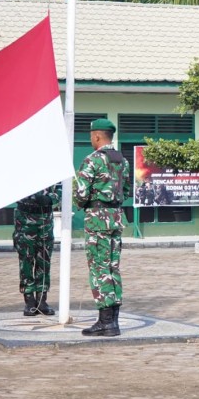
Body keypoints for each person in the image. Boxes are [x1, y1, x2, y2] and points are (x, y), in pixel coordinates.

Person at [74, 118, 132, 336]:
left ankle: (105, 322)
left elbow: (81, 195)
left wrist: (84, 205)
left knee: (99, 269)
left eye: (91, 136)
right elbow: (126, 190)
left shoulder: (92, 160)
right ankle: (113, 321)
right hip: (116, 217)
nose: (91, 139)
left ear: (97, 136)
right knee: (112, 267)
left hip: (98, 220)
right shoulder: (122, 161)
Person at [13, 184, 61, 316]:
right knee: (26, 259)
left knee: (44, 260)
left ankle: (41, 299)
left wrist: (50, 199)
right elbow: (14, 188)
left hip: (45, 219)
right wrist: (33, 197)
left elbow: (60, 190)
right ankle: (29, 299)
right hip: (25, 219)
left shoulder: (53, 170)